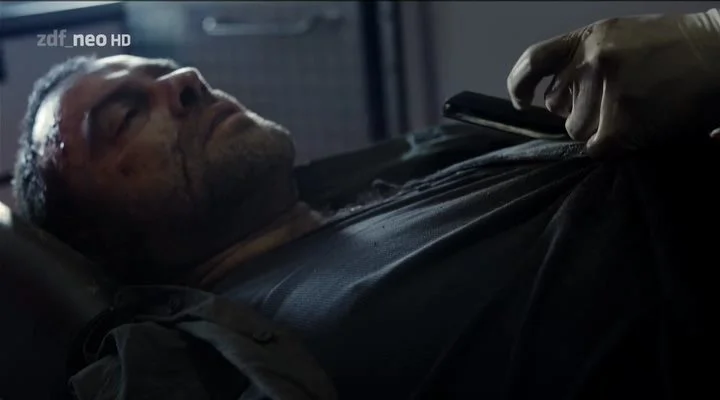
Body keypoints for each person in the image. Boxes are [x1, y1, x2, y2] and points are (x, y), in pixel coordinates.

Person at [11, 8, 720, 400]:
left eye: (165, 70)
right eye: (124, 117)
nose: (187, 80)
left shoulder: (410, 171)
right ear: (100, 242)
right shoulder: (264, 362)